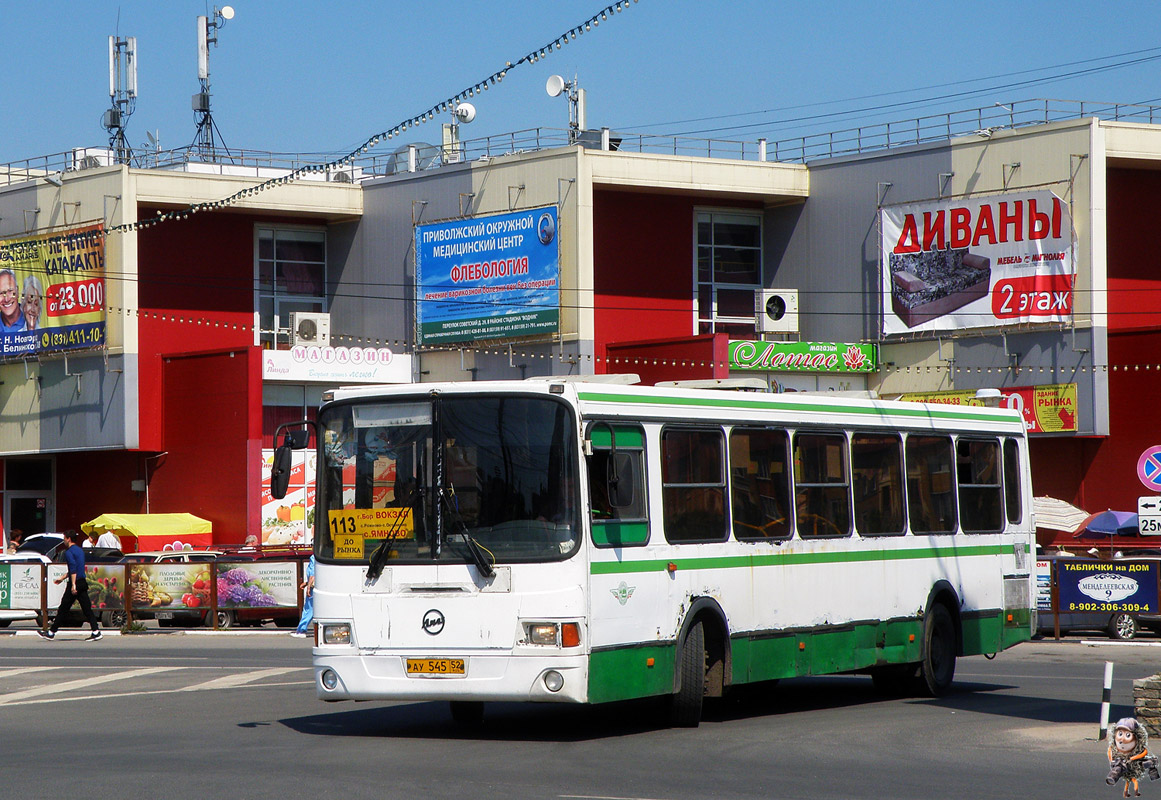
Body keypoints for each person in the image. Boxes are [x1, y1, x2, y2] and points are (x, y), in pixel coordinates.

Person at [38, 530, 102, 641]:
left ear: (68, 539)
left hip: (75, 582)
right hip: (82, 581)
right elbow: (77, 568)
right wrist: (62, 578)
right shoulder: (79, 551)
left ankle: (51, 632)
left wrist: (73, 585)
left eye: (64, 539)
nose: (63, 541)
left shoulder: (68, 552)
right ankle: (96, 631)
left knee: (63, 608)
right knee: (86, 608)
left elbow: (73, 569)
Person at [291, 555, 315, 638]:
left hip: (313, 587)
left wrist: (308, 586)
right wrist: (306, 583)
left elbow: (313, 574)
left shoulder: (314, 557)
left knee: (308, 609)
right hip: (318, 586)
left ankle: (301, 630)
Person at [0, 269, 26, 333]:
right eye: (1, 293)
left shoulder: (31, 320)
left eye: (10, 291)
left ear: (17, 291)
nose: (6, 299)